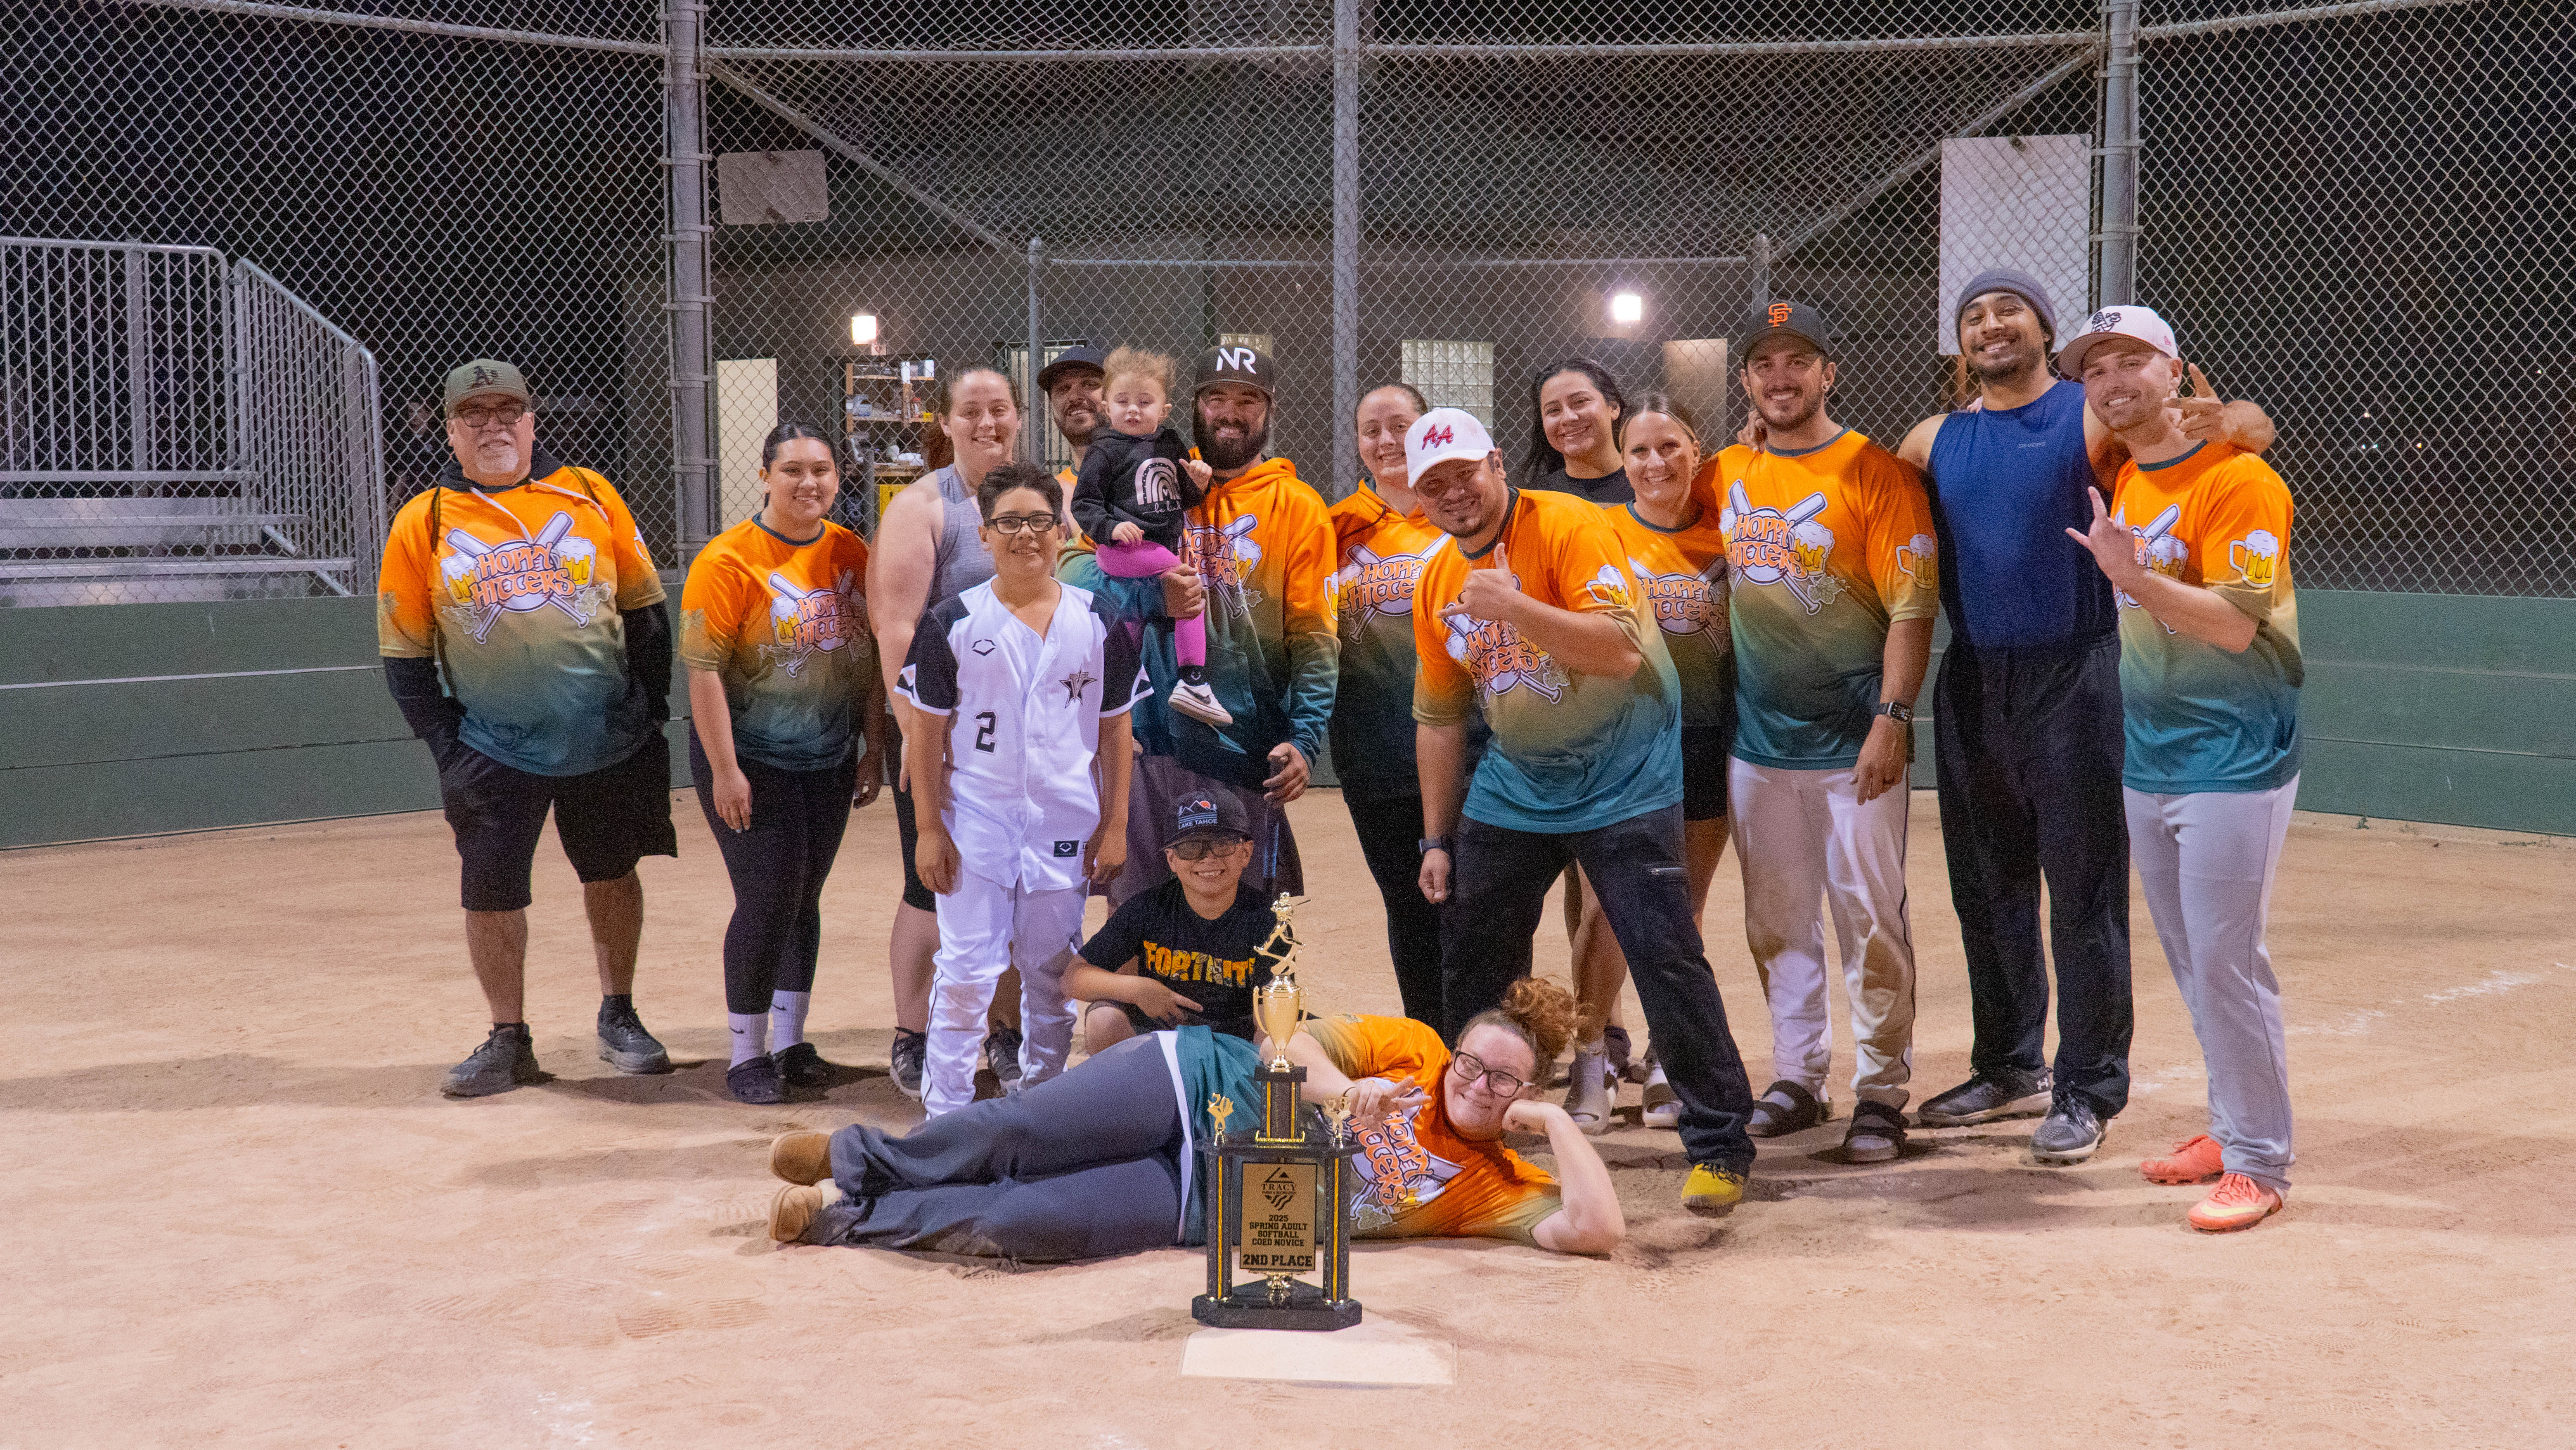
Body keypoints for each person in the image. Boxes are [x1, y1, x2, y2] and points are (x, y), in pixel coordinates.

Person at [1893, 272, 2278, 1165]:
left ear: (2042, 330)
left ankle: (2089, 1086)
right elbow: (1858, 496)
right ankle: (2007, 1065)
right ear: (1961, 343)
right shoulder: (1930, 438)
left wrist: (2241, 420)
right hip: (1974, 677)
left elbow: (2234, 430)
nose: (1991, 325)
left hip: (2078, 671)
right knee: (1987, 888)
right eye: (1974, 316)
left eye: (2009, 311)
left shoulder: (2089, 415)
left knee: (2083, 892)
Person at [1406, 406, 1760, 1214]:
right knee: (1472, 954)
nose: (1453, 492)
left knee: (1665, 954)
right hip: (1518, 785)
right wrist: (1435, 838)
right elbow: (1438, 719)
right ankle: (1469, 1137)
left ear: (1498, 464)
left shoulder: (1567, 525)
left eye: (1464, 473)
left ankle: (1719, 1144)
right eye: (1434, 484)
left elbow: (1620, 650)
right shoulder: (1435, 579)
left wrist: (1511, 606)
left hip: (1625, 779)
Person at [762, 977, 1623, 1258]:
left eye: (1503, 1079)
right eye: (1472, 1062)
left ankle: (844, 1216)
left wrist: (1554, 1123)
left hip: (1206, 1201)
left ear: (1526, 1090)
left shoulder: (1493, 1186)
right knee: (1018, 1133)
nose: (1475, 1083)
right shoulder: (1413, 1050)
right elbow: (1282, 1041)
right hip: (1192, 1082)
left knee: (1022, 1221)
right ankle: (858, 1155)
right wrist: (1341, 1092)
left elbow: (1598, 1229)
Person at [2061, 304, 2302, 1233]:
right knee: (2195, 960)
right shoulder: (2129, 476)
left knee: (2229, 962)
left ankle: (2260, 1163)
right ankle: (2233, 1127)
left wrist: (2131, 578)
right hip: (2153, 754)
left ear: (2175, 371)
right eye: (2096, 369)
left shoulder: (2241, 480)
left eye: (2132, 360)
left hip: (2236, 756)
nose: (2112, 381)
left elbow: (2236, 624)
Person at [378, 359, 677, 1097]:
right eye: (474, 415)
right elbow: (404, 655)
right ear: (451, 431)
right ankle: (508, 1038)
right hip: (492, 746)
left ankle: (620, 1014)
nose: (494, 426)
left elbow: (645, 613)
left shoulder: (589, 494)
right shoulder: (426, 519)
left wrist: (646, 711)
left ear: (532, 421)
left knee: (612, 870)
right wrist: (447, 748)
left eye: (507, 411)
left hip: (603, 739)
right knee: (491, 890)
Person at [1717, 302, 1937, 1165]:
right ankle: (1798, 1075)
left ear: (1828, 373)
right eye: (1764, 363)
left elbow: (1912, 609)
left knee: (1871, 921)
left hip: (1854, 744)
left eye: (1798, 361)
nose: (1781, 377)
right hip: (1758, 746)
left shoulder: (1876, 474)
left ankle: (1881, 1091)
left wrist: (1893, 717)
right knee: (1777, 923)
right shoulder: (1726, 470)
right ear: (1746, 380)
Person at [897, 462, 1144, 1117]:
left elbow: (1116, 732)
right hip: (975, 822)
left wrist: (1115, 823)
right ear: (984, 535)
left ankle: (1041, 1109)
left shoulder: (1101, 620)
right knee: (967, 972)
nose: (1025, 535)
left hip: (1066, 822)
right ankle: (946, 1117)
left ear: (1063, 531)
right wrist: (929, 829)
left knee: (1051, 972)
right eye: (1008, 522)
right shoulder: (952, 621)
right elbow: (926, 736)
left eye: (1039, 520)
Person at [1058, 344, 1337, 906]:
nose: (1230, 412)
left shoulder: (1299, 507)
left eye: (1248, 400)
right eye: (1216, 398)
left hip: (1239, 742)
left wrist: (1304, 738)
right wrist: (1149, 595)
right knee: (1138, 914)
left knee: (1238, 922)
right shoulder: (1152, 472)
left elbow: (1315, 639)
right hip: (1142, 740)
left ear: (1271, 409)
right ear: (1191, 406)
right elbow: (1075, 574)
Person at [680, 422, 888, 1104]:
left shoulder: (851, 551)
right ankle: (746, 1053)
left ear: (838, 478)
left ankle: (792, 1042)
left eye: (821, 470)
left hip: (827, 755)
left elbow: (871, 660)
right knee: (769, 894)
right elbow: (704, 674)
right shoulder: (727, 560)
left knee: (805, 897)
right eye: (793, 470)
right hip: (751, 756)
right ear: (765, 476)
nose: (808, 483)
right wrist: (725, 771)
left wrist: (873, 748)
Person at [867, 367, 1039, 1098]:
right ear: (946, 422)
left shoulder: (1038, 497)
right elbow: (896, 627)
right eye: (970, 411)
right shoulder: (923, 507)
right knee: (931, 880)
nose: (986, 423)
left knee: (1012, 884)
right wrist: (915, 729)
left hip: (1020, 737)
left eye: (999, 409)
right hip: (943, 731)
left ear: (1019, 416)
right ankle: (914, 1033)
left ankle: (1005, 1031)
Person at [1585, 393, 1736, 1133]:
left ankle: (1668, 1056)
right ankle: (1591, 1060)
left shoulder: (1728, 535)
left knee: (1683, 908)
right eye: (1639, 450)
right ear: (1622, 460)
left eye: (1670, 446)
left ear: (1696, 451)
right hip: (1623, 745)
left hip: (1704, 739)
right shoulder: (1602, 532)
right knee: (1608, 909)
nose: (1655, 463)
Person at [1326, 381, 1449, 1023]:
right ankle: (1431, 1047)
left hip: (1468, 748)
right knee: (1408, 904)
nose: (1385, 441)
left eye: (1400, 425)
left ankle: (1491, 1053)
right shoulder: (1336, 527)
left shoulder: (1459, 514)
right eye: (1371, 430)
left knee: (1479, 907)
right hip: (1376, 751)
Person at [1067, 347, 1227, 725]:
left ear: (1164, 410)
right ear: (1106, 407)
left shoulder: (1170, 444)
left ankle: (1118, 701)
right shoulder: (1104, 450)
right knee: (1186, 585)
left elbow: (1181, 500)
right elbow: (1084, 504)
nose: (1133, 411)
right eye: (1122, 401)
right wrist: (1111, 528)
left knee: (1132, 630)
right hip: (1122, 550)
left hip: (1154, 550)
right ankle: (1194, 682)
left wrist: (1198, 484)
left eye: (1144, 402)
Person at [1068, 794, 1284, 1049]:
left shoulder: (1267, 918)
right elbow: (1074, 977)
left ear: (1246, 853)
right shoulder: (1147, 908)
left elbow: (1269, 1015)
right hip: (1160, 1040)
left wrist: (1264, 1055)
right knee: (1103, 1020)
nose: (1208, 858)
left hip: (1236, 1042)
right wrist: (1138, 989)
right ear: (1172, 860)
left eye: (1222, 845)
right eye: (1190, 848)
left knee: (1281, 1034)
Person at [1524, 358, 1634, 504]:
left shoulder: (1651, 482)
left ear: (1613, 408)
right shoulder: (1535, 500)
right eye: (1553, 410)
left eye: (1580, 401)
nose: (1568, 418)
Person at [1038, 343, 1108, 488]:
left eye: (1089, 385)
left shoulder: (1149, 475)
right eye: (1063, 388)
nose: (1074, 397)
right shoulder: (1053, 494)